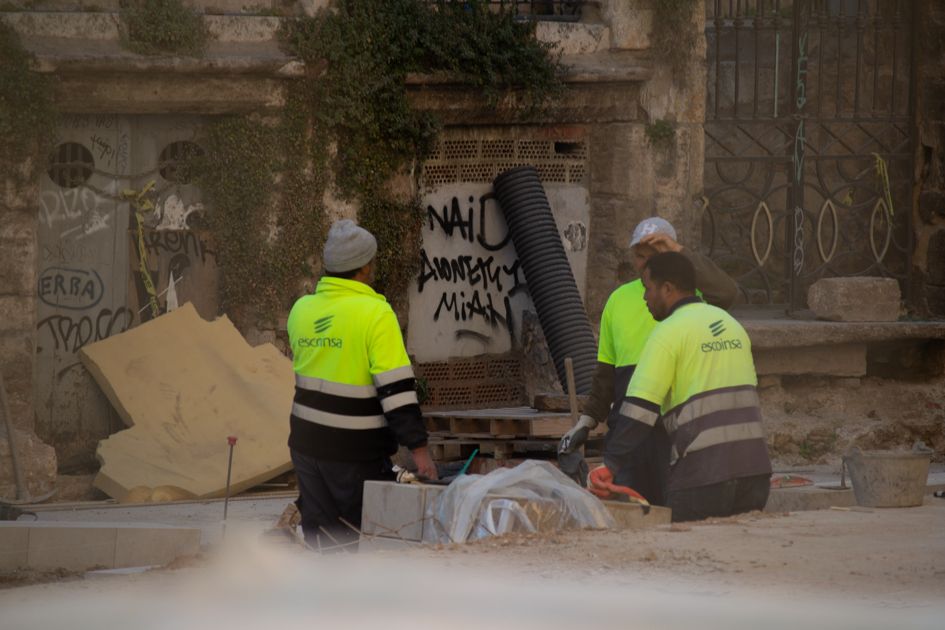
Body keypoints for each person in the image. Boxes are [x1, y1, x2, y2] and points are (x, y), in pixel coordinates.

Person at [559, 217, 738, 504]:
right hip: (629, 434)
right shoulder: (618, 300)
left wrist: (678, 252)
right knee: (627, 510)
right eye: (640, 256)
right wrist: (586, 421)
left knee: (676, 510)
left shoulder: (693, 296)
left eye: (654, 256)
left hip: (676, 433)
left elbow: (727, 291)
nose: (645, 264)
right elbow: (606, 374)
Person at [286, 219, 437, 550]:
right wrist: (420, 451)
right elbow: (397, 392)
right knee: (353, 538)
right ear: (365, 267)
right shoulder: (375, 314)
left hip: (305, 444)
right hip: (352, 450)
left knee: (321, 536)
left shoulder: (301, 309)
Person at [589, 251, 771, 521]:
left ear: (667, 289)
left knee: (688, 546)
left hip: (703, 476)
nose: (644, 297)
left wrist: (611, 465)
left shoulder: (667, 333)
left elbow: (639, 410)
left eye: (647, 288)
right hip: (754, 473)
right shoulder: (732, 326)